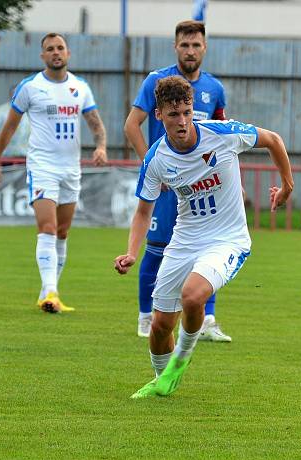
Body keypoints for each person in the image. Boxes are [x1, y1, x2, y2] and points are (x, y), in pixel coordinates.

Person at [114, 76, 293, 399]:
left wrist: (287, 186)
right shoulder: (156, 159)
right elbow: (143, 211)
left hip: (227, 239)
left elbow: (273, 140)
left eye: (186, 112)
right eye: (173, 114)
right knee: (159, 327)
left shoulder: (221, 134)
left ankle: (179, 364)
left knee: (193, 296)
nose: (181, 121)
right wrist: (131, 252)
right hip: (184, 240)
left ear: (193, 109)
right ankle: (163, 381)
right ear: (159, 116)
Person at [124, 20, 231, 341]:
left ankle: (207, 321)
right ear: (175, 47)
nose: (190, 51)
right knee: (156, 250)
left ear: (205, 48)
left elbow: (222, 136)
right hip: (169, 186)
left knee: (208, 251)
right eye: (184, 45)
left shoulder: (214, 89)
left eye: (196, 45)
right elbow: (132, 125)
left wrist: (227, 177)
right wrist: (153, 167)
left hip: (202, 188)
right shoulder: (157, 82)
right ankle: (145, 317)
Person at [0, 33, 108, 313]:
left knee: (63, 232)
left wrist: (101, 146)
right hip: (42, 167)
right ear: (42, 56)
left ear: (68, 54)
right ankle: (51, 292)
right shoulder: (30, 87)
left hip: (70, 169)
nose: (56, 52)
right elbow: (8, 128)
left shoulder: (80, 87)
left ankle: (48, 292)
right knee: (48, 228)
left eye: (60, 48)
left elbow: (96, 124)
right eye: (50, 49)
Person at [0, 85, 31, 161]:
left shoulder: (31, 112)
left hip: (27, 158)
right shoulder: (1, 111)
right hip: (6, 157)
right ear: (11, 95)